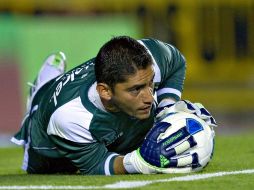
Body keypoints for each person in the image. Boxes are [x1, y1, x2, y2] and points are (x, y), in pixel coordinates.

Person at [12, 36, 192, 175]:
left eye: (151, 83)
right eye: (136, 89)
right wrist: (141, 162)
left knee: (141, 129)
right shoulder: (69, 117)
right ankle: (39, 94)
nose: (149, 97)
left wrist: (167, 110)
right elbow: (95, 165)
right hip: (47, 143)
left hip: (99, 107)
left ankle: (47, 85)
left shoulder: (150, 56)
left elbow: (177, 63)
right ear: (105, 91)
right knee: (49, 169)